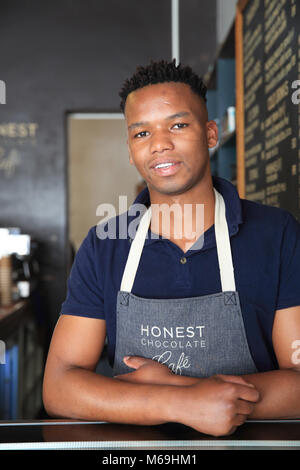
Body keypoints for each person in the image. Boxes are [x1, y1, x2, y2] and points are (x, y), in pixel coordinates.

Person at [43, 59, 300, 437]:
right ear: (130, 151)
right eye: (141, 133)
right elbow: (59, 387)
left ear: (211, 134)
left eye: (178, 125)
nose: (160, 144)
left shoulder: (277, 234)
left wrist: (164, 387)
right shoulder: (103, 246)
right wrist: (181, 401)